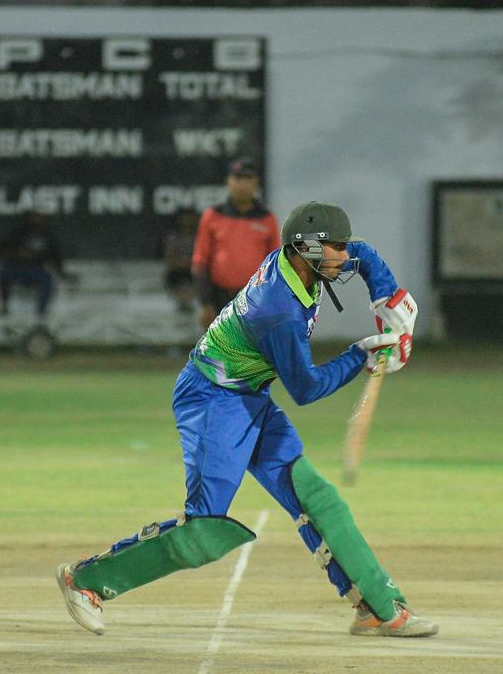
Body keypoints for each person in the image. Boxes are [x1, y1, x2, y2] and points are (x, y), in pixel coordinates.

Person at [56, 201, 435, 639]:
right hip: (211, 399)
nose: (343, 256)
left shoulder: (303, 260)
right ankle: (85, 581)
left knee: (316, 496)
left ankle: (377, 606)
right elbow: (306, 388)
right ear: (306, 247)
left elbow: (364, 255)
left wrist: (387, 300)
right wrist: (363, 355)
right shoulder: (277, 309)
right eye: (335, 247)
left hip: (247, 394)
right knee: (204, 530)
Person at [191, 157, 280, 330]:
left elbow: (275, 264)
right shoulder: (213, 216)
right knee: (220, 345)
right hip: (219, 298)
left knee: (252, 345)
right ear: (228, 182)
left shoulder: (267, 218)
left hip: (256, 299)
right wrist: (205, 303)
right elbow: (200, 261)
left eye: (248, 179)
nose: (243, 185)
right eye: (238, 179)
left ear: (256, 183)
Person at [0, 211, 65, 317]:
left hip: (36, 269)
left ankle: (41, 311)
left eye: (38, 222)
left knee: (47, 280)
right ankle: (4, 305)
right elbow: (0, 250)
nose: (35, 224)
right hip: (16, 267)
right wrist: (17, 254)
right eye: (33, 221)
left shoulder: (47, 236)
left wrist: (60, 271)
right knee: (2, 274)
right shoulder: (18, 234)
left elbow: (55, 255)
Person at [161, 209, 199, 314]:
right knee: (170, 278)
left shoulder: (199, 236)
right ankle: (181, 300)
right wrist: (180, 264)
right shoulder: (173, 236)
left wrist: (191, 264)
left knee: (203, 278)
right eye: (184, 218)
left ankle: (188, 299)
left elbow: (202, 255)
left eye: (189, 218)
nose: (187, 221)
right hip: (177, 269)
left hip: (193, 268)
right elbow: (169, 256)